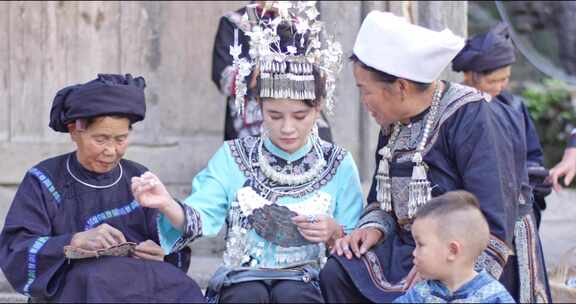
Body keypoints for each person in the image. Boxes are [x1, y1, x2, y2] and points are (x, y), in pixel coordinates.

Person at [133, 3, 362, 303]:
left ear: (317, 109)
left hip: (308, 278)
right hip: (243, 277)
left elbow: (356, 236)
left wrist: (333, 231)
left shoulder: (338, 163)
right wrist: (166, 204)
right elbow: (202, 214)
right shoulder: (234, 156)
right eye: (275, 115)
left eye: (300, 115)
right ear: (259, 107)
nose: (288, 128)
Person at [319, 11, 550, 303]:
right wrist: (372, 228)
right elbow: (382, 199)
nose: (363, 102)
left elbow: (492, 221)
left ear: (401, 87)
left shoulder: (475, 118)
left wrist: (442, 269)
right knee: (337, 272)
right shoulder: (394, 121)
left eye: (365, 91)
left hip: (464, 253)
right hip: (414, 247)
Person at [0, 74, 205, 303]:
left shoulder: (137, 177)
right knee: (98, 280)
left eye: (121, 139)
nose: (111, 150)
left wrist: (163, 254)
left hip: (140, 280)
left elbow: (170, 242)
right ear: (74, 131)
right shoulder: (44, 179)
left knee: (182, 286)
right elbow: (16, 250)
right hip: (79, 287)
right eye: (101, 139)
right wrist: (73, 241)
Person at [452, 22, 551, 226]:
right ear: (470, 75)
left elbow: (532, 155)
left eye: (505, 79)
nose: (500, 86)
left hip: (515, 201)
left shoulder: (513, 106)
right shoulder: (453, 109)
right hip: (467, 203)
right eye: (493, 81)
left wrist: (531, 175)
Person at [211, 1, 333, 141]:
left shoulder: (297, 25)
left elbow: (313, 73)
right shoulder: (233, 23)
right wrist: (259, 72)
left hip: (298, 105)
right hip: (254, 113)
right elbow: (224, 77)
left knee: (321, 136)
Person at [393, 191, 515, 303]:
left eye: (420, 244)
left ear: (452, 251)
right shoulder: (420, 294)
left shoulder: (494, 296)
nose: (414, 253)